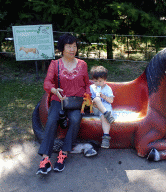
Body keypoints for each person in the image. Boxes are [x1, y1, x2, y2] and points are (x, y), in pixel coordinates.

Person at [36, 34, 90, 175]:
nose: (72, 49)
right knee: (52, 120)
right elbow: (47, 82)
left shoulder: (82, 64)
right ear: (62, 48)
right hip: (58, 99)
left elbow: (87, 84)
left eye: (74, 46)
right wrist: (54, 90)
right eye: (69, 46)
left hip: (76, 101)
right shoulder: (55, 64)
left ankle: (63, 153)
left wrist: (87, 97)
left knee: (75, 119)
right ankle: (45, 159)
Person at [90, 66, 115, 149]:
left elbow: (111, 101)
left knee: (105, 118)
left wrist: (103, 96)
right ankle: (106, 114)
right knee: (96, 99)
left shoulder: (108, 89)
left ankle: (106, 137)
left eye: (100, 81)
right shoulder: (92, 87)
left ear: (105, 81)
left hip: (106, 108)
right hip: (95, 108)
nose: (97, 83)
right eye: (95, 81)